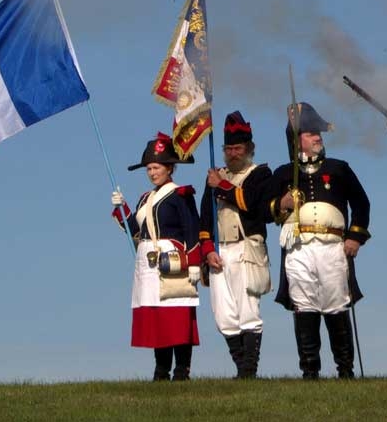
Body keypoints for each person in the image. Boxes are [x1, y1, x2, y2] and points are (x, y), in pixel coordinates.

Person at [268, 102, 371, 379]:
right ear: (296, 139)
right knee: (305, 305)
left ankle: (345, 369)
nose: (317, 137)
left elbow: (361, 203)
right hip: (298, 248)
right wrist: (282, 203)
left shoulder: (339, 169)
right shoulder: (283, 173)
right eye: (310, 133)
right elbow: (265, 210)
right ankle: (310, 370)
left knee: (336, 303)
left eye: (318, 133)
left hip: (333, 246)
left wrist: (355, 237)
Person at [111, 132, 202, 381]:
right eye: (149, 168)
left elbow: (191, 228)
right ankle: (161, 370)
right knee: (158, 320)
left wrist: (194, 263)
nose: (152, 173)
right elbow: (136, 231)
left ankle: (182, 371)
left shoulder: (180, 194)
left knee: (179, 317)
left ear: (170, 168)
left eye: (157, 167)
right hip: (149, 266)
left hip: (174, 263)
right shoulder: (145, 199)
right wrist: (123, 208)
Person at [198, 111, 274, 378]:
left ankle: (248, 371)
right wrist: (207, 251)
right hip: (220, 252)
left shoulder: (261, 174)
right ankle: (241, 368)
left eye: (237, 148)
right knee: (224, 317)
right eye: (228, 148)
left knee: (248, 311)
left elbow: (250, 203)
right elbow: (205, 217)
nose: (232, 153)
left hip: (246, 248)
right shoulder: (214, 175)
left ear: (248, 149)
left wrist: (221, 185)